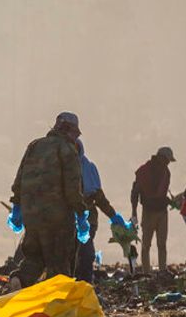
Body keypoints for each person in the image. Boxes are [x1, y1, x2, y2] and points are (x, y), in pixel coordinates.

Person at [8, 112, 87, 288]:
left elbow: (19, 179)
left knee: (34, 259)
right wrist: (81, 215)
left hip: (32, 216)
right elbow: (73, 189)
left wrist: (17, 208)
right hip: (57, 219)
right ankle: (56, 307)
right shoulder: (67, 150)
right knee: (58, 264)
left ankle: (19, 280)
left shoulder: (34, 146)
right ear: (69, 131)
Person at [75, 140, 128, 283]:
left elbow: (99, 197)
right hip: (66, 221)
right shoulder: (60, 169)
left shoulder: (88, 168)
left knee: (86, 254)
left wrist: (113, 216)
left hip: (88, 221)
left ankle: (84, 285)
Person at [130, 147, 175, 273]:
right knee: (146, 244)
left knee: (162, 244)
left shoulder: (166, 172)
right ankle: (146, 272)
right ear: (161, 157)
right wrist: (134, 212)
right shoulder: (144, 171)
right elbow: (135, 193)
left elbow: (162, 194)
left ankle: (162, 270)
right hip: (148, 212)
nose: (168, 163)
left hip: (162, 212)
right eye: (167, 160)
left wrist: (171, 201)